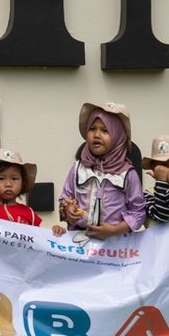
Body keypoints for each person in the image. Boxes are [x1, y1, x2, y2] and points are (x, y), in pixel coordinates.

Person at [57, 101, 146, 238]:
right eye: (92, 129)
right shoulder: (78, 168)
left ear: (118, 137)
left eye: (105, 131)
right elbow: (65, 198)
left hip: (115, 248)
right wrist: (68, 209)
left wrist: (115, 230)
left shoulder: (128, 174)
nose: (97, 135)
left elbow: (138, 212)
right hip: (79, 243)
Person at [0, 148, 40, 226]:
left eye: (14, 178)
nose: (8, 184)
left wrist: (55, 231)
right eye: (1, 178)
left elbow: (40, 236)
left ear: (23, 182)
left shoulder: (29, 213)